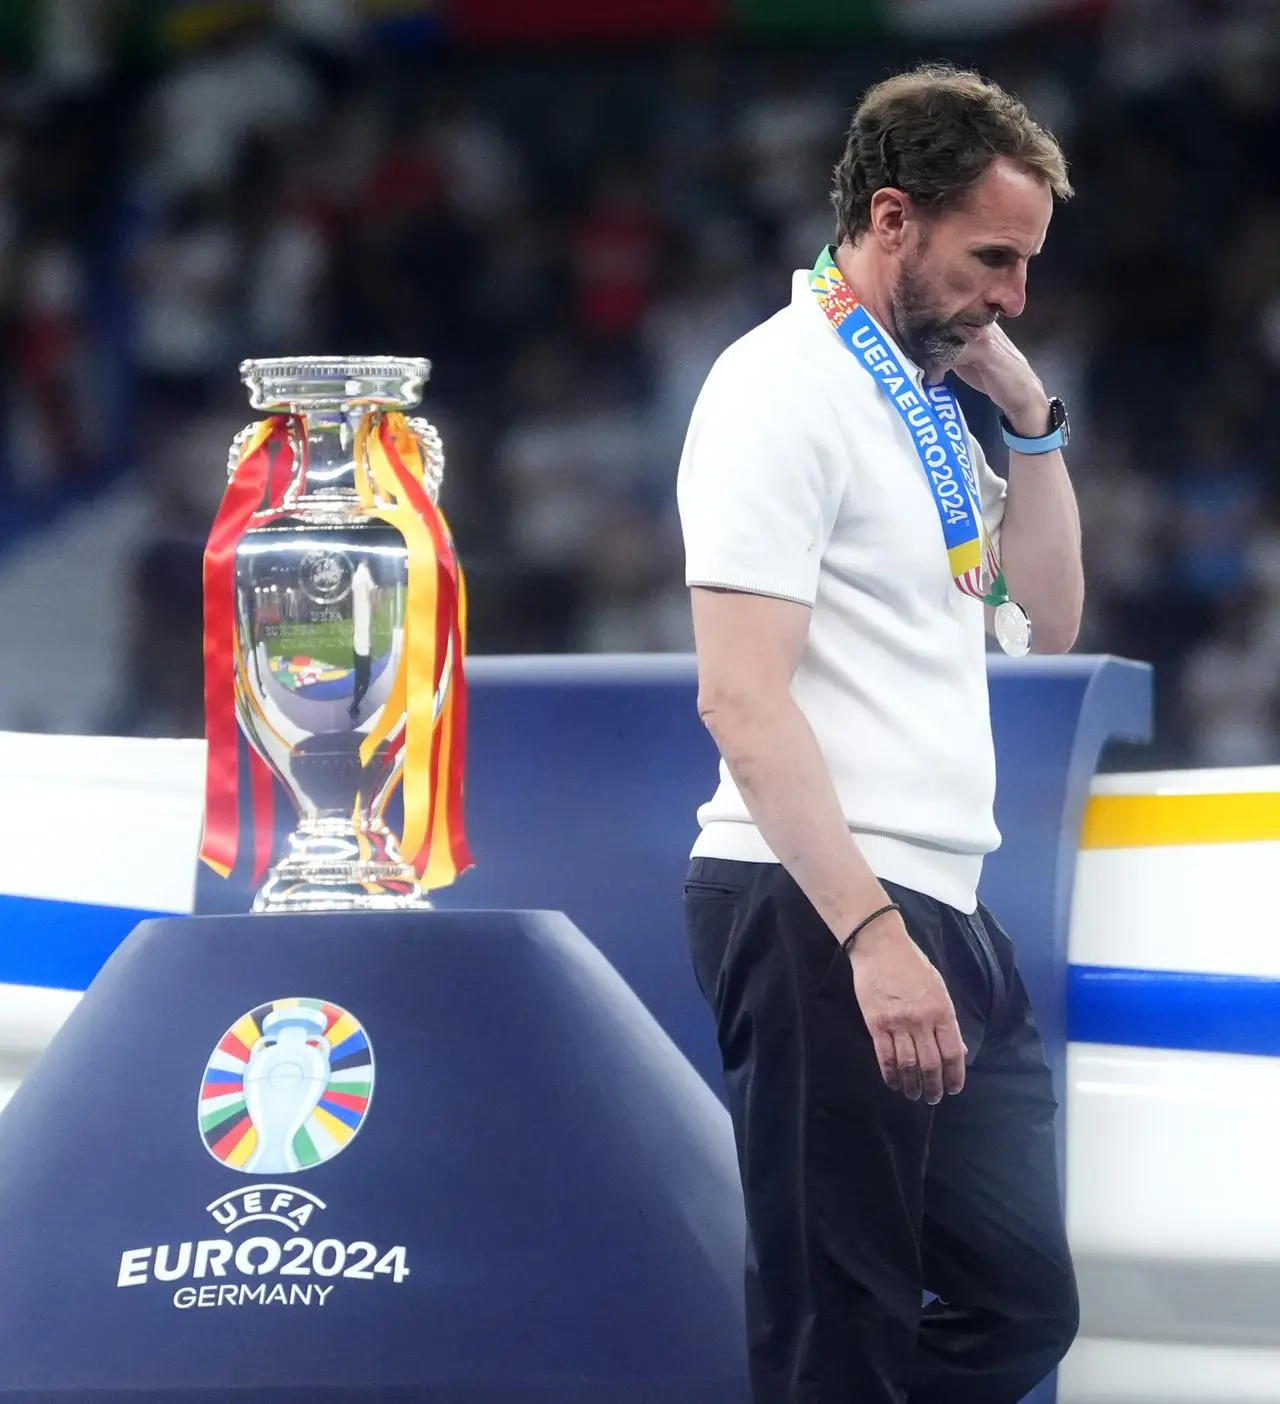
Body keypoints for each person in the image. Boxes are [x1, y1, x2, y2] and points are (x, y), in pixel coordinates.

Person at [676, 64, 1084, 1404]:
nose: (1012, 295)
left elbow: (1048, 620)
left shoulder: (918, 407)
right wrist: (867, 931)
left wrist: (1029, 423)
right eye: (995, 259)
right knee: (835, 1321)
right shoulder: (776, 385)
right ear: (892, 218)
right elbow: (740, 694)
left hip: (942, 899)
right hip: (821, 906)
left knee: (1018, 1307)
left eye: (1026, 265)